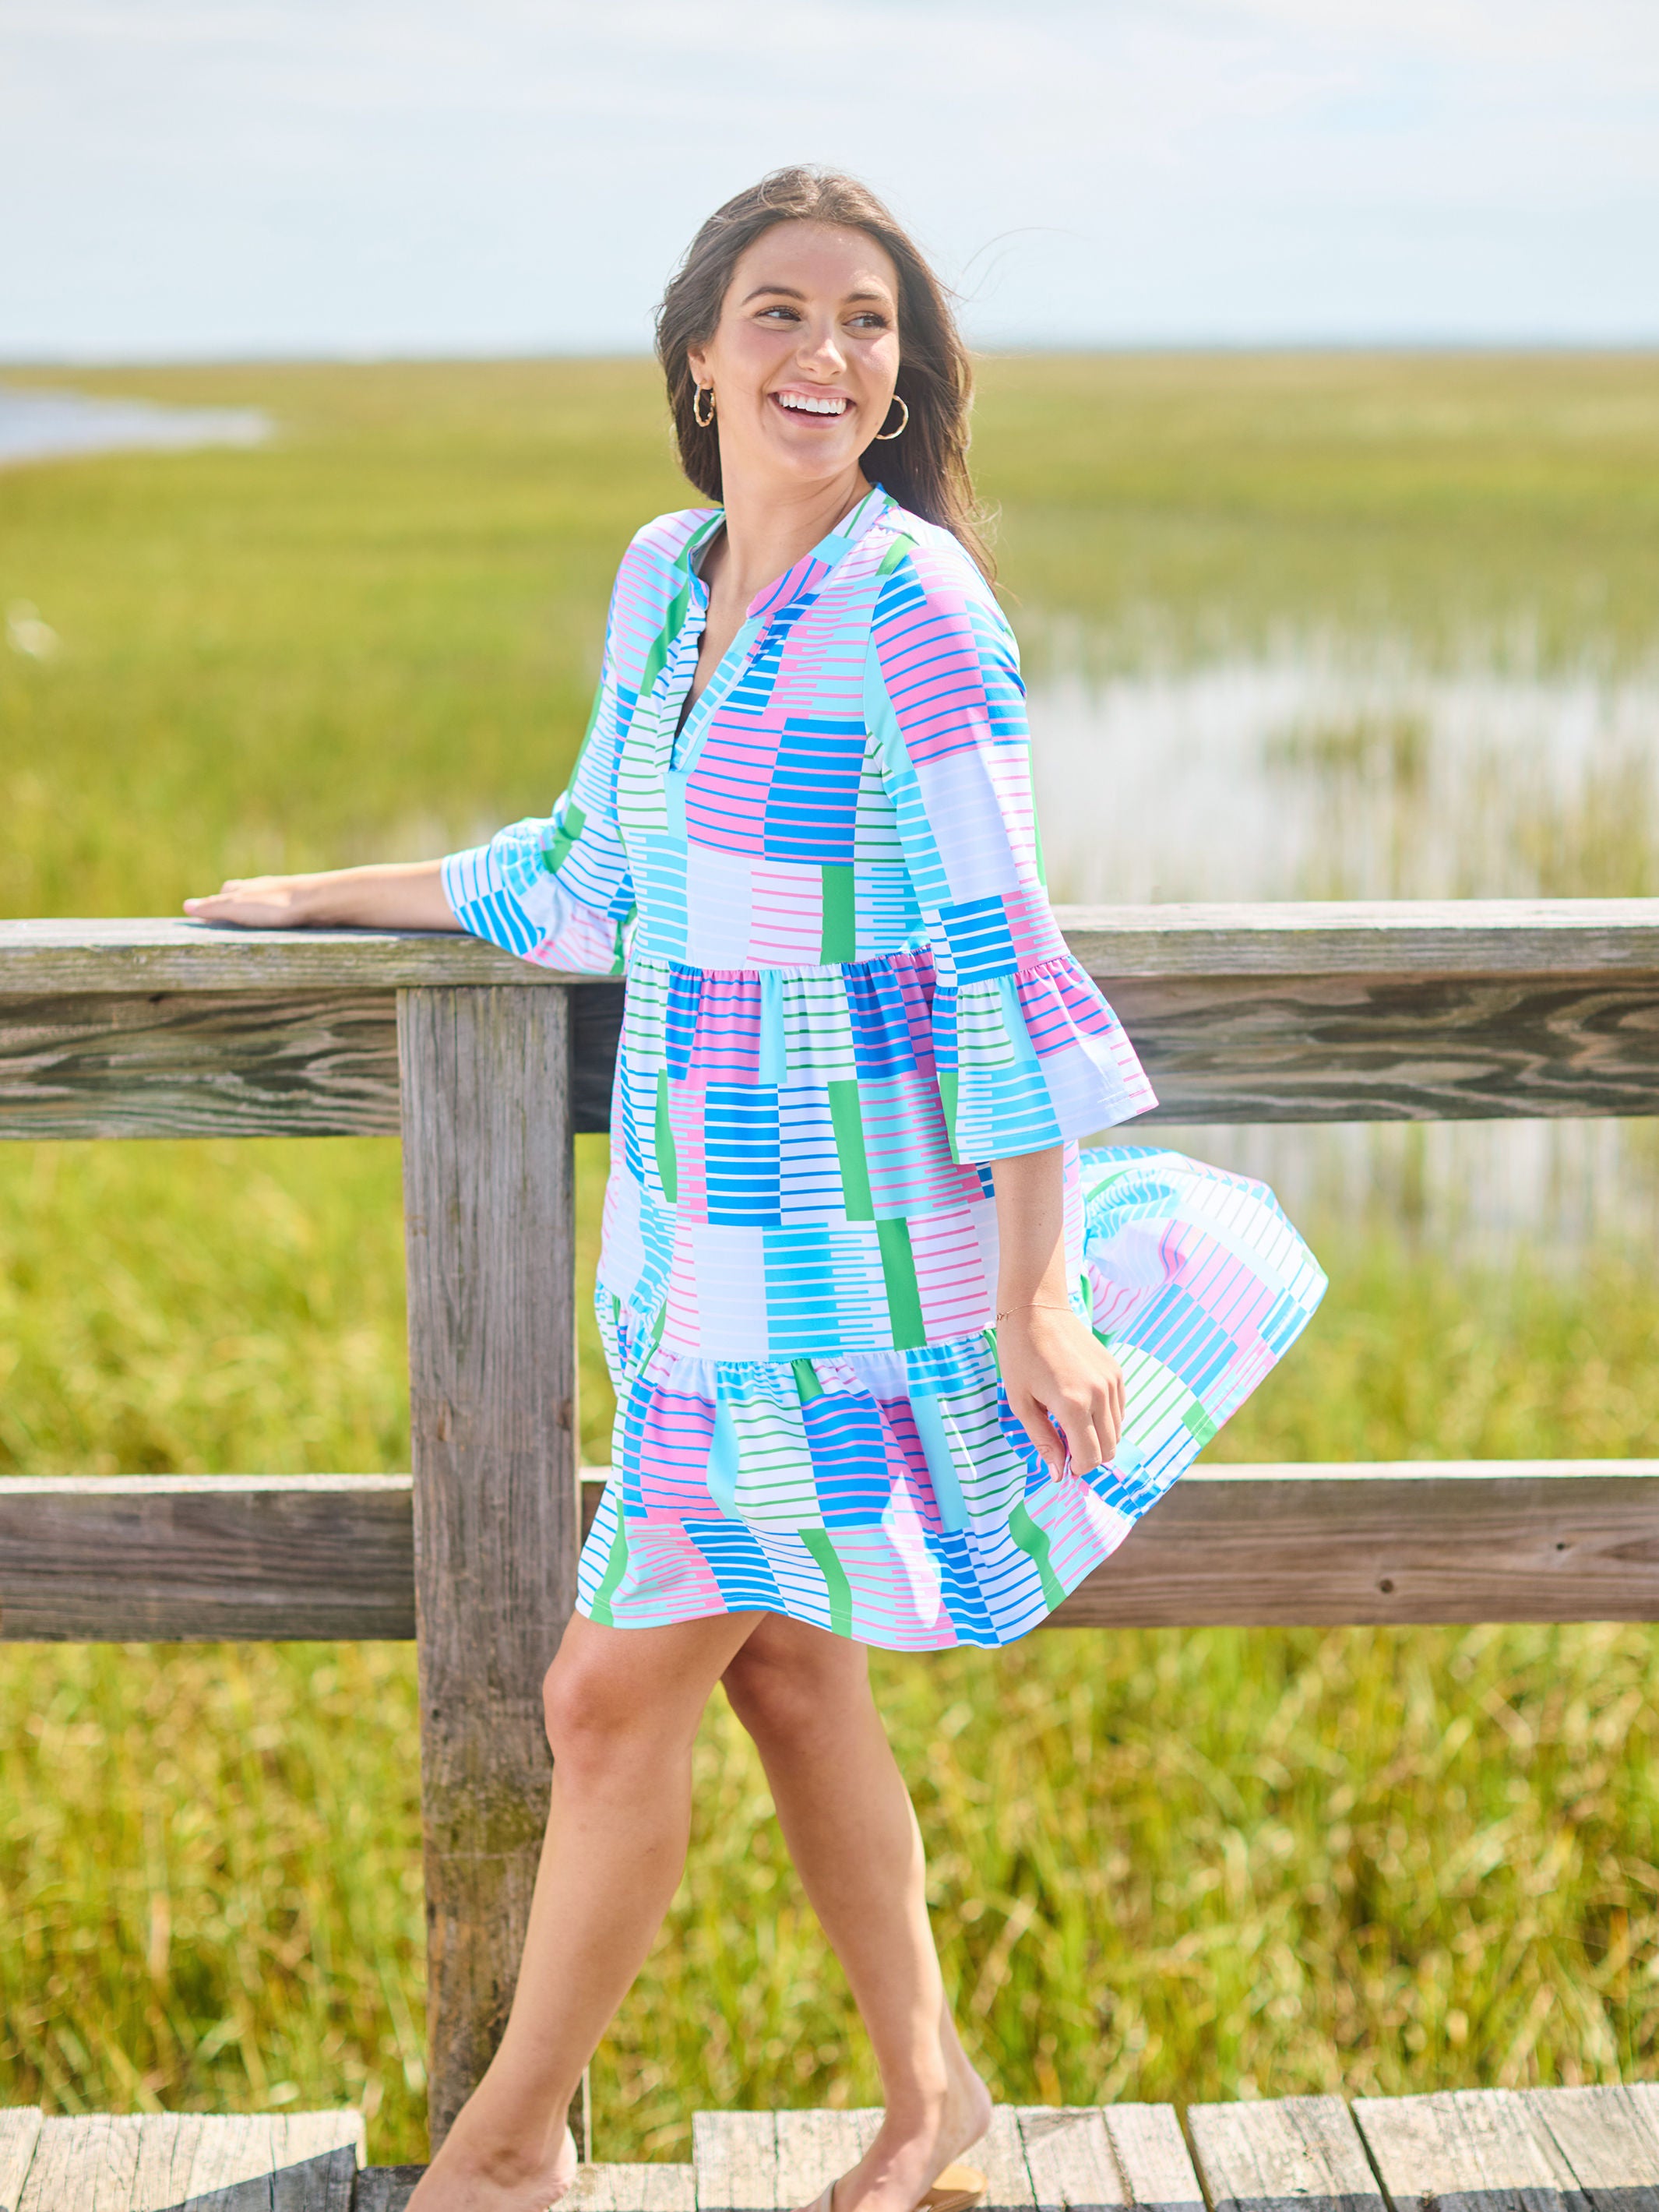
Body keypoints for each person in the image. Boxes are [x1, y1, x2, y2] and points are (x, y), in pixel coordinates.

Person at [186, 167, 1325, 2212]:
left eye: (866, 322)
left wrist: (1037, 1292)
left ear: (903, 376)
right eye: (781, 313)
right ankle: (932, 2100)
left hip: (856, 1265)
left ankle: (505, 2154)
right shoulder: (665, 574)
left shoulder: (915, 611)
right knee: (786, 1664)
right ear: (701, 356)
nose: (825, 354)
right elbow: (585, 869)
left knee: (603, 1694)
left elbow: (1001, 957)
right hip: (695, 1254)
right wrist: (320, 894)